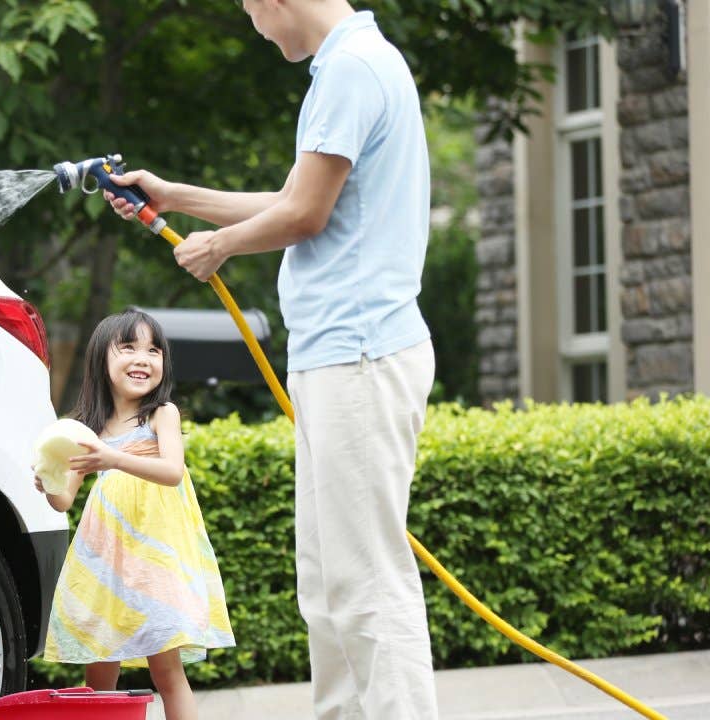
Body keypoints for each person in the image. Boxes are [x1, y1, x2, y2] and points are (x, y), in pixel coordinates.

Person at [104, 2, 438, 718]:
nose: (256, 26)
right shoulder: (351, 64)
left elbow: (304, 216)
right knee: (327, 584)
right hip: (343, 358)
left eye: (253, 9)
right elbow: (294, 197)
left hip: (359, 354)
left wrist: (218, 246)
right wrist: (176, 199)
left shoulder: (350, 69)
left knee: (368, 581)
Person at [36, 309, 234, 720]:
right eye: (128, 347)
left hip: (154, 562)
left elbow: (172, 472)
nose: (143, 358)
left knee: (167, 668)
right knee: (99, 667)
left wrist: (114, 458)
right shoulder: (84, 428)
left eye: (154, 350)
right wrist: (49, 482)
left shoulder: (162, 414)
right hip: (105, 561)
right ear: (101, 361)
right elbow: (64, 501)